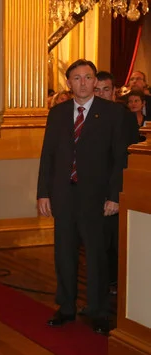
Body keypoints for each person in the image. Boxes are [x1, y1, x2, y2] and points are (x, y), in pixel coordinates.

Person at [37, 59, 129, 335]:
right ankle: (66, 307)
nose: (83, 83)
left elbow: (119, 159)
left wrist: (115, 196)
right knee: (63, 254)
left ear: (94, 80)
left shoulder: (112, 113)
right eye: (76, 78)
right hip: (64, 195)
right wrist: (43, 193)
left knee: (97, 256)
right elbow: (48, 156)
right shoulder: (58, 113)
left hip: (96, 198)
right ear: (69, 83)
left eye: (87, 77)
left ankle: (99, 311)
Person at [93, 71, 141, 296]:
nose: (101, 94)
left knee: (116, 244)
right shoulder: (86, 115)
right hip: (91, 190)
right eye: (97, 90)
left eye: (106, 90)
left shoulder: (125, 117)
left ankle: (116, 288)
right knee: (95, 245)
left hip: (116, 189)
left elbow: (125, 157)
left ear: (114, 92)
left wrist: (116, 193)